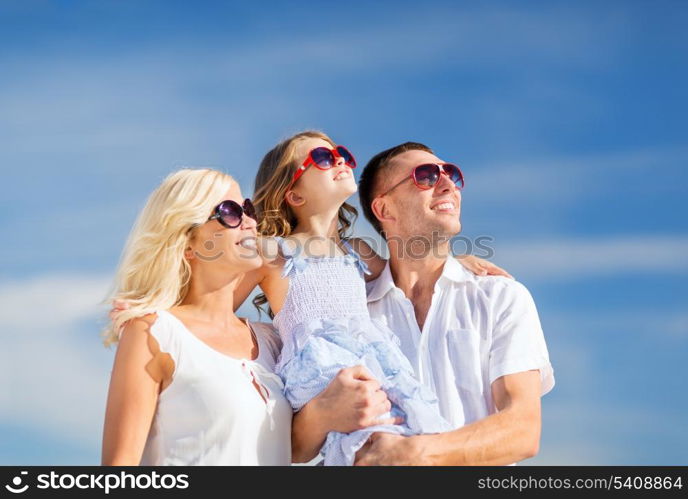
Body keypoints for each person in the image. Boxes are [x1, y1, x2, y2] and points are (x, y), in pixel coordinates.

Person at [230, 131, 508, 465]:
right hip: (322, 369)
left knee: (405, 429)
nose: (339, 161)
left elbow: (409, 263)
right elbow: (215, 306)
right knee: (364, 443)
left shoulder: (357, 251)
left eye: (342, 154)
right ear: (294, 196)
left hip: (373, 361)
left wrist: (456, 261)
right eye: (322, 158)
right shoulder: (272, 254)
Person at [101, 168, 393, 465]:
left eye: (248, 209)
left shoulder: (273, 343)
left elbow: (295, 451)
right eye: (229, 212)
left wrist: (326, 411)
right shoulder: (153, 332)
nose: (251, 222)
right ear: (187, 242)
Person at [351, 142, 554, 465]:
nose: (448, 185)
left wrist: (416, 453)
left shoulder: (501, 297)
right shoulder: (352, 313)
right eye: (427, 176)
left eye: (452, 174)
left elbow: (523, 429)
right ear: (384, 210)